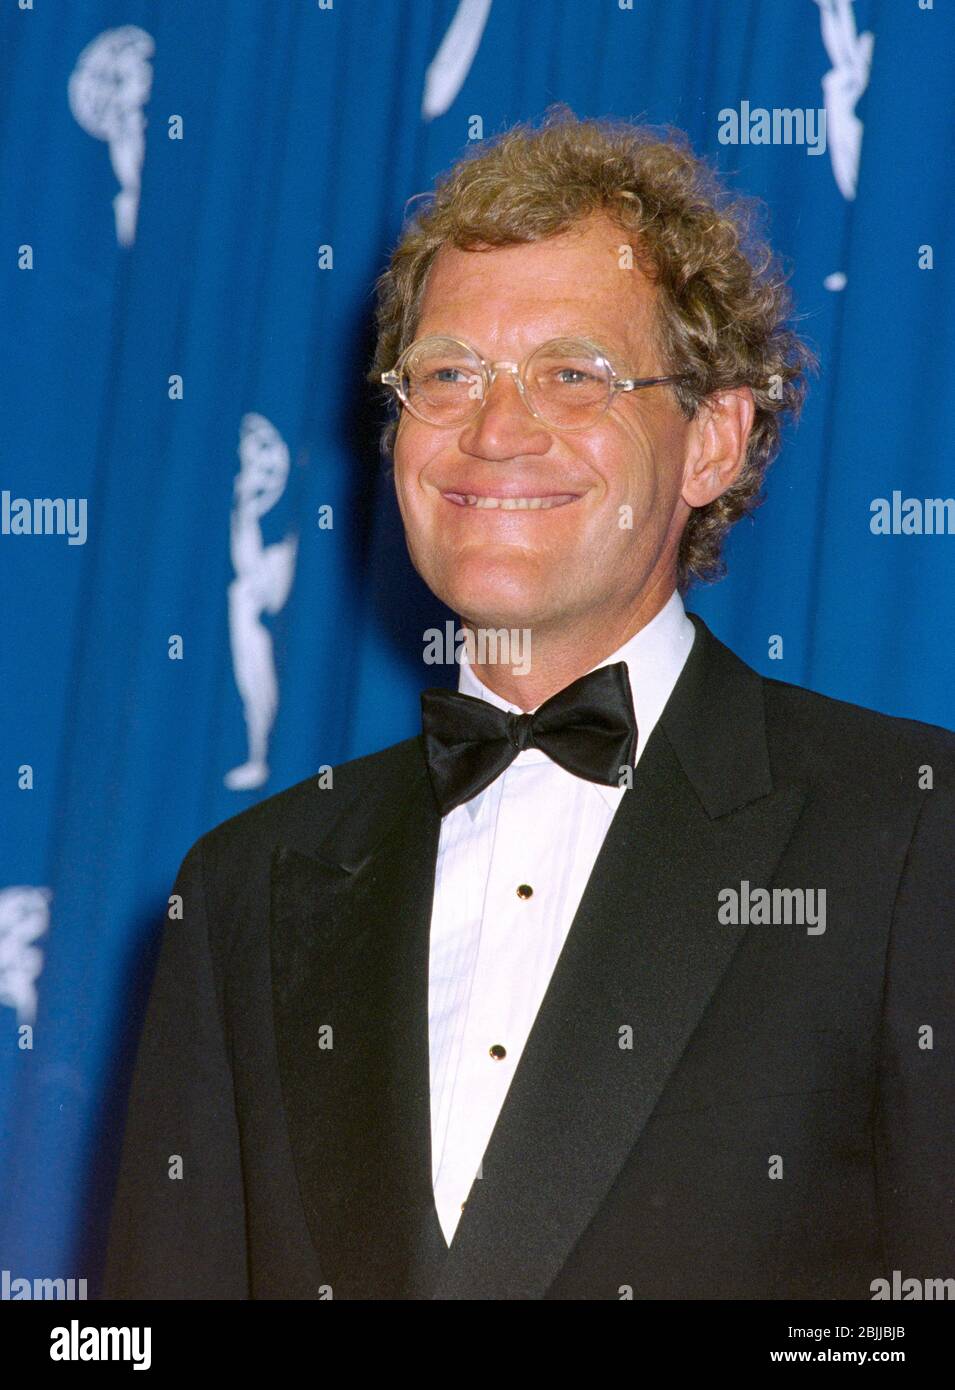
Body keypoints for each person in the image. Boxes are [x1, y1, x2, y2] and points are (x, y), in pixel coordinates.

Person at [103, 109, 955, 1301]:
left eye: (572, 373)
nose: (496, 431)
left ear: (713, 438)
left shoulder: (915, 833)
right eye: (448, 373)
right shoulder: (244, 889)